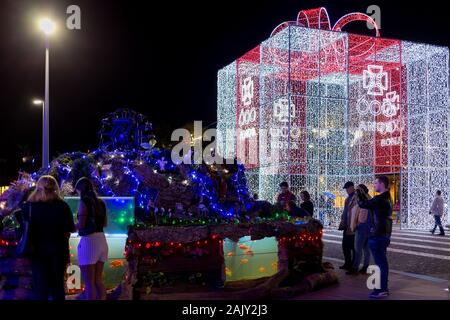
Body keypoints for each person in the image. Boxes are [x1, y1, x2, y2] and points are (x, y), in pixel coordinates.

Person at [22, 175, 75, 300]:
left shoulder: (29, 206)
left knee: (40, 289)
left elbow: (23, 229)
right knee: (57, 288)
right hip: (58, 252)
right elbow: (71, 227)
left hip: (36, 252)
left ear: (38, 188)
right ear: (55, 188)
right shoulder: (62, 206)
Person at [357, 175, 393, 299]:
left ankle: (382, 289)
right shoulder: (388, 198)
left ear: (382, 184)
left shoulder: (379, 199)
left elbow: (363, 204)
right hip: (383, 234)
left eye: (376, 183)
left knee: (381, 263)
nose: (374, 185)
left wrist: (359, 194)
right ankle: (382, 287)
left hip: (377, 234)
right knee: (381, 262)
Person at [75, 177, 108, 300]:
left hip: (89, 242)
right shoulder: (101, 203)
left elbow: (81, 225)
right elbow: (104, 223)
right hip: (102, 240)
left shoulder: (84, 202)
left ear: (80, 190)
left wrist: (68, 226)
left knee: (89, 283)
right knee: (98, 281)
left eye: (77, 191)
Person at [346, 184, 371, 275]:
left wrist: (357, 224)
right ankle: (365, 266)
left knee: (358, 248)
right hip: (366, 227)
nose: (355, 192)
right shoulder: (368, 198)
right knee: (365, 248)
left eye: (357, 190)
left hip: (362, 227)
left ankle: (355, 267)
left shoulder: (363, 200)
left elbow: (363, 216)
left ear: (361, 191)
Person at [338, 181, 356, 270]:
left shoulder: (356, 197)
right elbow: (345, 211)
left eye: (347, 188)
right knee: (345, 246)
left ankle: (352, 265)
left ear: (352, 187)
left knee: (352, 246)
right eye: (346, 189)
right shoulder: (347, 198)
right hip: (346, 225)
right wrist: (342, 219)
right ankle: (347, 263)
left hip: (353, 226)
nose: (346, 190)